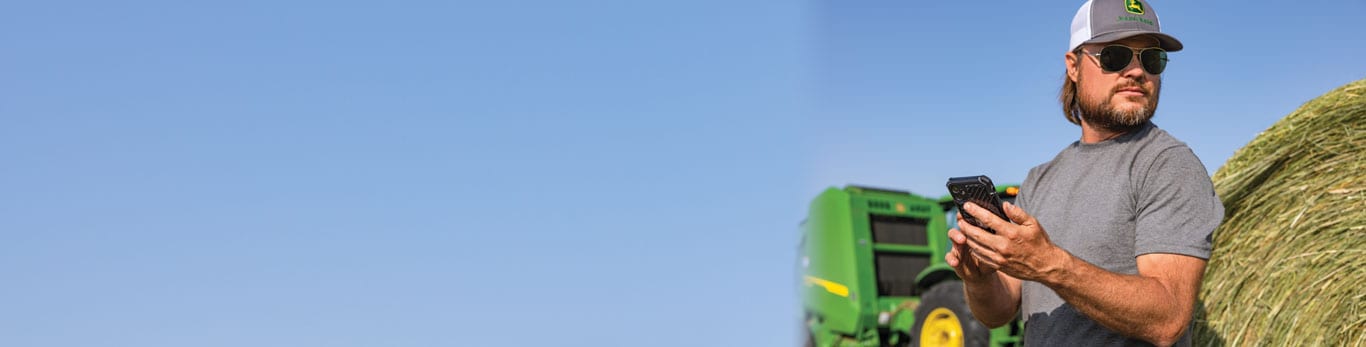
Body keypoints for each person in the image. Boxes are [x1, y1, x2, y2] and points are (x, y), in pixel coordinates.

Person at [944, 0, 1225, 346]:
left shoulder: (1168, 165)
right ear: (1073, 66)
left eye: (1151, 59)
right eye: (1115, 56)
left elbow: (1168, 318)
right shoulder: (1039, 179)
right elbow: (1000, 311)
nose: (1137, 72)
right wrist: (980, 279)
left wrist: (1049, 264)